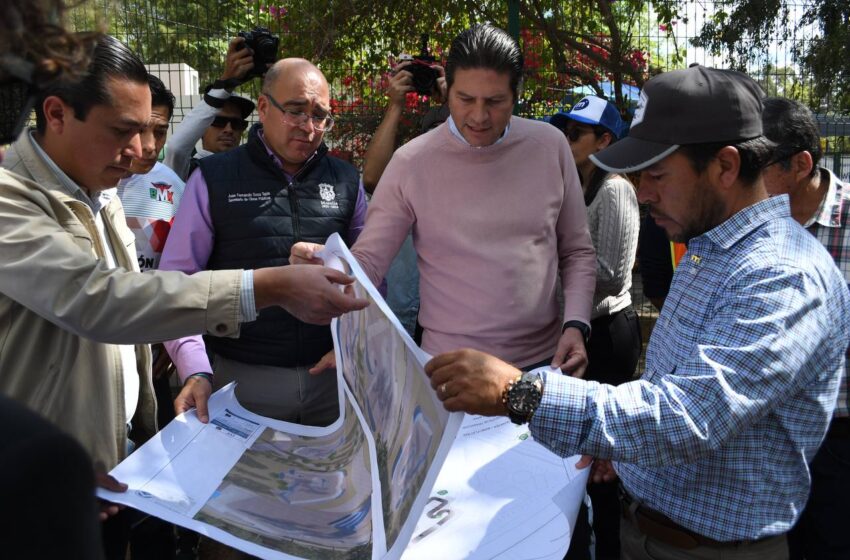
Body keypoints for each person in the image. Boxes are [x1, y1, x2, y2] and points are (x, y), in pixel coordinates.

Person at [423, 65, 850, 560]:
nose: (642, 193)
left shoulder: (781, 274)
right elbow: (669, 386)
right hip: (655, 533)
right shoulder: (712, 248)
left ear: (726, 167)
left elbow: (690, 417)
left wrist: (521, 393)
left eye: (657, 175)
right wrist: (622, 448)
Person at [0, 32, 368, 557]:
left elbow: (137, 307)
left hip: (93, 465)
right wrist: (265, 287)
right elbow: (103, 301)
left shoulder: (97, 195)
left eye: (149, 131)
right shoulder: (10, 200)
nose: (139, 151)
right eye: (123, 131)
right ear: (56, 114)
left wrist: (116, 443)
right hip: (27, 479)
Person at [293, 24, 596, 375]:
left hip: (543, 364)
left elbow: (576, 250)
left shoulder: (550, 146)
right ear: (446, 90)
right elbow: (369, 262)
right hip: (449, 368)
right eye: (465, 99)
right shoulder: (411, 162)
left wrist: (576, 324)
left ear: (516, 95)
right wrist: (327, 267)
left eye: (495, 102)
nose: (479, 117)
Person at [161, 58, 367, 426]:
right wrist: (195, 368)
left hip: (335, 378)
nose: (308, 127)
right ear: (264, 107)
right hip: (239, 380)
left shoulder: (346, 180)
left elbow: (371, 274)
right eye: (296, 111)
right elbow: (178, 281)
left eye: (320, 115)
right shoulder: (214, 178)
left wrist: (353, 344)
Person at [549, 96, 641, 560]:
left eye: (575, 133)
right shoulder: (576, 185)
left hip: (609, 331)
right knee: (578, 450)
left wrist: (551, 267)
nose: (565, 140)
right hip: (581, 328)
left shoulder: (615, 189)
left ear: (605, 140)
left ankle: (609, 548)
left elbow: (612, 271)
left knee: (605, 457)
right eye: (563, 131)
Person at [761, 96, 850, 560]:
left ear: (801, 164)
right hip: (764, 439)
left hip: (839, 440)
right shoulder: (750, 226)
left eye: (760, 163)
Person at [361, 58, 448, 336]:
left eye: (448, 131)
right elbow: (372, 179)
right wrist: (395, 104)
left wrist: (453, 99)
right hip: (411, 315)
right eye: (432, 134)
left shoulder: (482, 173)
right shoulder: (411, 173)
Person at [163, 36, 257, 181]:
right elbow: (176, 148)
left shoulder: (250, 171)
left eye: (237, 124)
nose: (229, 129)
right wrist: (225, 83)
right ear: (201, 128)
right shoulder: (185, 168)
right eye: (219, 121)